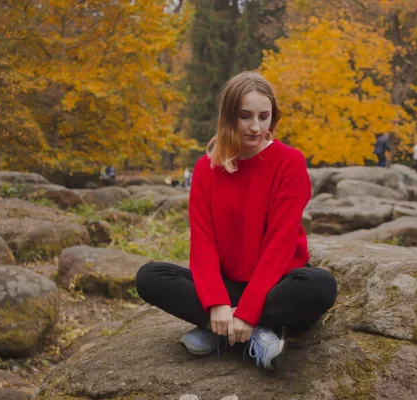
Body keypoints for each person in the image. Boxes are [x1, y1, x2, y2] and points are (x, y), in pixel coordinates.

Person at [135, 71, 338, 371]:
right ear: (229, 116)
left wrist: (249, 311)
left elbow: (279, 245)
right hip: (227, 286)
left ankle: (232, 328)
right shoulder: (206, 169)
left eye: (264, 116)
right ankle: (243, 328)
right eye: (245, 116)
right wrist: (217, 303)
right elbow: (203, 243)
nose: (255, 127)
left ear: (273, 117)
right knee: (149, 276)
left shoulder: (289, 162)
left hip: (277, 285)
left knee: (321, 285)